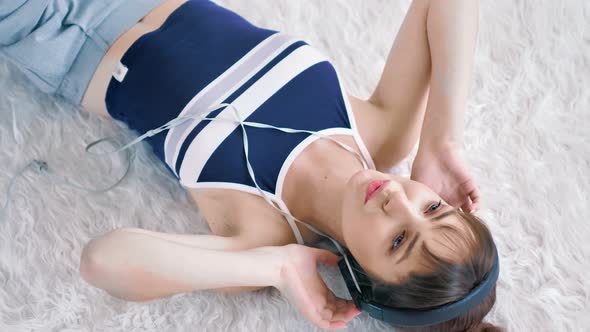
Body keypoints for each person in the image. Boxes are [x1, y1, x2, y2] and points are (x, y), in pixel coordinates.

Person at [0, 0, 501, 330]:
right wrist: (441, 138)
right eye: (432, 208)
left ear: (364, 281)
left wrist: (278, 267)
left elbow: (101, 261)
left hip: (50, 33)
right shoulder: (384, 133)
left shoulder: (263, 241)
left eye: (398, 240)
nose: (398, 201)